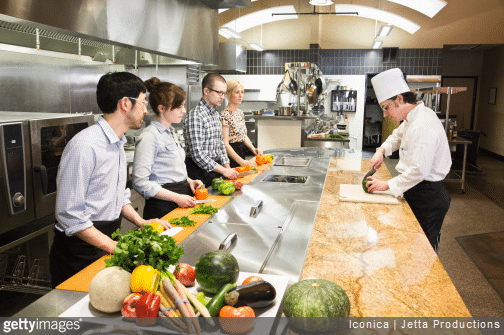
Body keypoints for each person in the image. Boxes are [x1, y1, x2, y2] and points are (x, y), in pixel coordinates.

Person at [49, 72, 171, 288]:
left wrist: (141, 222)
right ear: (125, 103)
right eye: (143, 102)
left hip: (106, 239)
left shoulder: (117, 142)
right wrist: (114, 247)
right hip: (80, 250)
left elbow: (119, 195)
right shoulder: (85, 146)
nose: (145, 109)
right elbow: (70, 214)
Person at [366, 68, 452, 253]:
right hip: (415, 189)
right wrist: (381, 151)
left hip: (428, 196)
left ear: (399, 99)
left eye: (386, 107)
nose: (385, 114)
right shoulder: (411, 119)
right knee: (410, 244)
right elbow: (396, 137)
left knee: (424, 250)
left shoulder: (423, 124)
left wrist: (386, 185)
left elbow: (419, 171)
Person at [132, 78, 203, 220]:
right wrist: (177, 197)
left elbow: (170, 169)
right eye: (179, 106)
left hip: (180, 197)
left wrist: (188, 180)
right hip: (162, 206)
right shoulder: (150, 136)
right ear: (162, 108)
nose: (183, 110)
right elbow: (140, 183)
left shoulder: (170, 131)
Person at [183, 73, 239, 186]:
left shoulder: (216, 114)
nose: (222, 97)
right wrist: (224, 171)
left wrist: (228, 169)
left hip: (215, 170)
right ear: (206, 91)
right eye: (219, 93)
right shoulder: (196, 116)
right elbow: (198, 155)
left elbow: (221, 145)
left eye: (224, 93)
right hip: (199, 174)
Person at [221, 79, 262, 168]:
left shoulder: (240, 113)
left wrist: (253, 149)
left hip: (241, 152)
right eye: (237, 92)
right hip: (231, 155)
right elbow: (225, 143)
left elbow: (243, 136)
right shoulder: (225, 115)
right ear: (229, 94)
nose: (240, 96)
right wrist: (240, 160)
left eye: (242, 92)